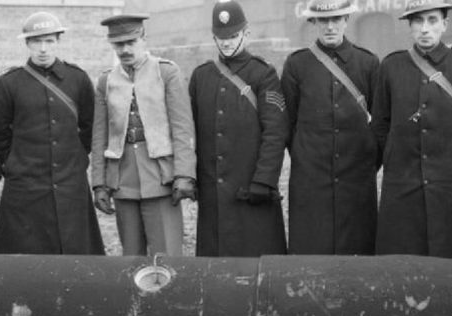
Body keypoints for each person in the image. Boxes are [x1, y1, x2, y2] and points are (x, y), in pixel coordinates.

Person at [371, 0, 452, 264]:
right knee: (402, 259)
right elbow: (380, 124)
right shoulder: (391, 67)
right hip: (402, 181)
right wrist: (395, 157)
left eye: (431, 20)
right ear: (409, 26)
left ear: (444, 24)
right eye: (417, 21)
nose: (425, 29)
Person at [0, 12, 104, 255]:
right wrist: (13, 160)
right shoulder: (9, 83)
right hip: (26, 187)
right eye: (36, 42)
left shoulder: (78, 79)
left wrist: (75, 156)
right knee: (26, 256)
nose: (42, 49)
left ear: (58, 41)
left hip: (71, 183)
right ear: (27, 44)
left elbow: (89, 125)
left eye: (49, 41)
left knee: (75, 253)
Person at [90, 14, 197, 256]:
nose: (125, 50)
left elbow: (182, 128)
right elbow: (100, 137)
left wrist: (184, 174)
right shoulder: (106, 81)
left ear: (143, 38)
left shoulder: (166, 73)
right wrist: (99, 184)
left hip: (161, 179)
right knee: (131, 261)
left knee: (167, 258)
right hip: (122, 181)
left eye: (131, 42)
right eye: (119, 44)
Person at [188, 0, 287, 257]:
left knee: (256, 261)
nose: (227, 43)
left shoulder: (264, 75)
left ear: (246, 34)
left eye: (233, 36)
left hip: (252, 188)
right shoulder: (201, 77)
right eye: (221, 37)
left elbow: (275, 132)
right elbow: (191, 134)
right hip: (213, 191)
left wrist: (264, 180)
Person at [281, 0, 379, 255]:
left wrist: (367, 162)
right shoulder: (296, 65)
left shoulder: (368, 64)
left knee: (358, 251)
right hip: (311, 178)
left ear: (347, 20)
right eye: (323, 20)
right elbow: (288, 123)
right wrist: (307, 158)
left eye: (336, 19)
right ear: (313, 22)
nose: (330, 27)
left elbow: (381, 123)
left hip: (357, 176)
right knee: (312, 250)